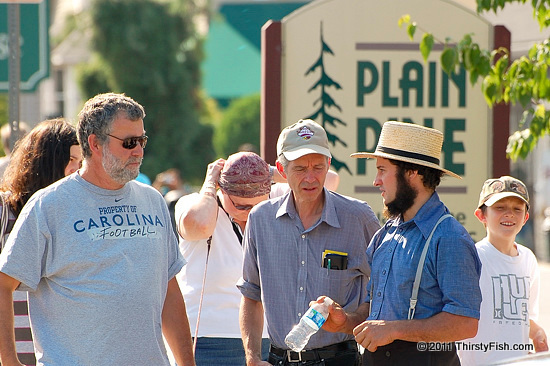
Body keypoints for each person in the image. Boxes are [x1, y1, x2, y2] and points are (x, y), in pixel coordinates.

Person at [0, 93, 195, 366]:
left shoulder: (152, 201)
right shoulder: (49, 205)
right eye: (129, 143)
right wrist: (10, 361)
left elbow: (169, 290)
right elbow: (3, 283)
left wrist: (187, 363)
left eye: (142, 141)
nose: (139, 151)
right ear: (95, 143)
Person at [319, 121, 482, 366]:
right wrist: (346, 321)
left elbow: (466, 323)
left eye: (382, 169)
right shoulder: (385, 234)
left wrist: (394, 330)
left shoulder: (449, 237)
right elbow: (376, 309)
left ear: (412, 172)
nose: (376, 181)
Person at [175, 151, 340, 366]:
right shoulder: (196, 204)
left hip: (266, 338)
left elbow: (332, 179)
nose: (249, 212)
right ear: (221, 191)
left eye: (256, 206)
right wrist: (210, 183)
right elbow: (199, 226)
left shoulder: (277, 199)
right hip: (209, 339)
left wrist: (270, 172)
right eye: (240, 205)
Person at [237, 119, 381, 366]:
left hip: (340, 359)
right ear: (282, 171)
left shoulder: (358, 218)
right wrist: (252, 358)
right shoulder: (260, 219)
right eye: (300, 168)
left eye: (318, 166)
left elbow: (385, 289)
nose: (311, 177)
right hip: (278, 359)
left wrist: (348, 319)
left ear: (329, 165)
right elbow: (251, 295)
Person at [0, 118, 81, 366]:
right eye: (72, 160)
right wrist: (9, 359)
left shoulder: (75, 214)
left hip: (61, 355)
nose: (78, 170)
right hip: (14, 356)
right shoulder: (5, 210)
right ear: (48, 161)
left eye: (82, 162)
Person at [457, 176, 548, 365]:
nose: (509, 214)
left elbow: (522, 319)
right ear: (481, 215)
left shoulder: (528, 259)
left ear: (525, 218)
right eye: (500, 208)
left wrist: (537, 332)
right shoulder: (472, 258)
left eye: (517, 209)